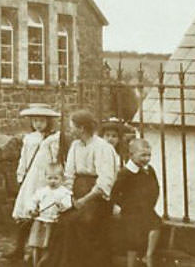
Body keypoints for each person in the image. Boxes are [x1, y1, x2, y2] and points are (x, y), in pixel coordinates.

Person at [38, 109, 119, 267]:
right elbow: (69, 174)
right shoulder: (75, 145)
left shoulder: (103, 147)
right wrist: (67, 196)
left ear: (82, 128)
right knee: (63, 220)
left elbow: (105, 180)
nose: (70, 130)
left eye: (72, 126)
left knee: (81, 223)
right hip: (77, 194)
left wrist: (84, 200)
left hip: (96, 197)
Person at [8, 103, 61, 261]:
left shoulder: (54, 138)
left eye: (42, 121)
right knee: (26, 211)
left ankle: (39, 249)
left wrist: (55, 176)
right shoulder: (29, 138)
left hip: (46, 178)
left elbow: (55, 158)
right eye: (35, 120)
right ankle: (19, 247)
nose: (38, 124)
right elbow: (24, 159)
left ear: (48, 121)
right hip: (31, 178)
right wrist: (21, 175)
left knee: (43, 213)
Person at [110, 139, 161, 267]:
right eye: (143, 155)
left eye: (149, 155)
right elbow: (116, 191)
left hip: (146, 207)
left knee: (156, 224)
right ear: (131, 155)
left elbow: (155, 187)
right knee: (133, 237)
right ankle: (131, 263)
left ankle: (148, 255)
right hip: (130, 209)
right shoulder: (126, 173)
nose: (146, 158)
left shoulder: (149, 170)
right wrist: (117, 205)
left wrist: (151, 202)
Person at [26, 163, 73, 266]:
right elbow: (32, 201)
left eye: (56, 178)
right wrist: (32, 209)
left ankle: (43, 264)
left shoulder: (64, 192)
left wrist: (61, 205)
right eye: (49, 178)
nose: (52, 181)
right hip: (40, 221)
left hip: (53, 223)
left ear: (62, 178)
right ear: (45, 178)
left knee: (48, 246)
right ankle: (35, 263)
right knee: (36, 245)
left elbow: (68, 205)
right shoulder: (42, 191)